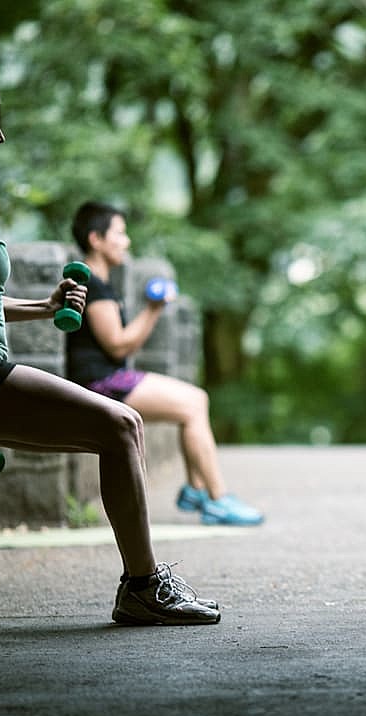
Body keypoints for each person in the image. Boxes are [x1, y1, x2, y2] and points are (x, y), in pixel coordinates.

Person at [0, 76, 220, 625]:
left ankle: (142, 585)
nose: (0, 137)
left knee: (121, 429)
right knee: (120, 425)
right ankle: (143, 586)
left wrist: (45, 307)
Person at [65, 202, 264, 526]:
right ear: (96, 239)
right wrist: (153, 309)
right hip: (100, 384)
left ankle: (197, 491)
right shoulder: (94, 287)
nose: (127, 241)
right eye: (120, 233)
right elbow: (118, 344)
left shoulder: (101, 283)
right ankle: (216, 499)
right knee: (193, 404)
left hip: (110, 377)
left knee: (196, 400)